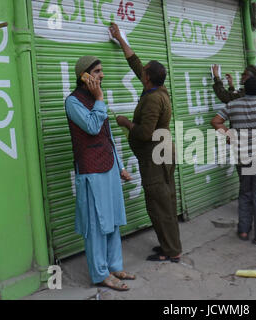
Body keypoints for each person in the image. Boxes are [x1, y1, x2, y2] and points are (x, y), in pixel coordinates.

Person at [109, 23, 182, 262]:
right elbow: (136, 63)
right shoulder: (157, 90)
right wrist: (120, 38)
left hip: (155, 155)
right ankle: (170, 245)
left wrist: (126, 123)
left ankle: (171, 251)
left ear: (148, 78)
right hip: (163, 152)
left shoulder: (152, 100)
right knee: (165, 200)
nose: (142, 72)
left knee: (159, 203)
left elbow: (145, 132)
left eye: (144, 72)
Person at [65, 55, 135, 291]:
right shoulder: (73, 102)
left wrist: (121, 166)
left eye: (101, 71)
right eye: (96, 71)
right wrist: (99, 100)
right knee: (96, 224)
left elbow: (108, 138)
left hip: (108, 168)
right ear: (84, 76)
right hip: (91, 171)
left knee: (113, 219)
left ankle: (115, 266)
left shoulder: (97, 100)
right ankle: (100, 274)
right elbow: (93, 127)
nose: (101, 75)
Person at [211, 76, 256, 245]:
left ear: (244, 89)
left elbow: (216, 121)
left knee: (245, 193)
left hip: (243, 158)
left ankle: (243, 231)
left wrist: (229, 135)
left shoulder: (233, 105)